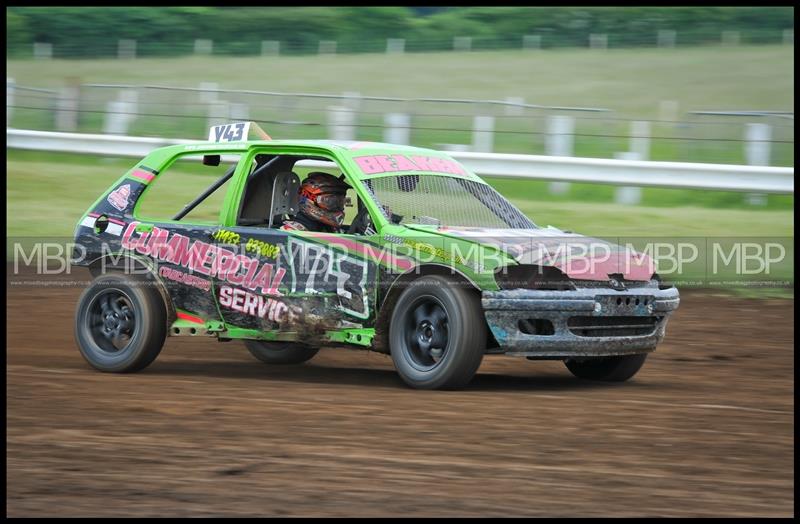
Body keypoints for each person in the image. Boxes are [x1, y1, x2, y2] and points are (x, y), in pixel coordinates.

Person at [281, 172, 349, 233]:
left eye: (340, 201)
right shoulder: (290, 232)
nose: (336, 206)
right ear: (309, 199)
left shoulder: (331, 229)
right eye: (330, 202)